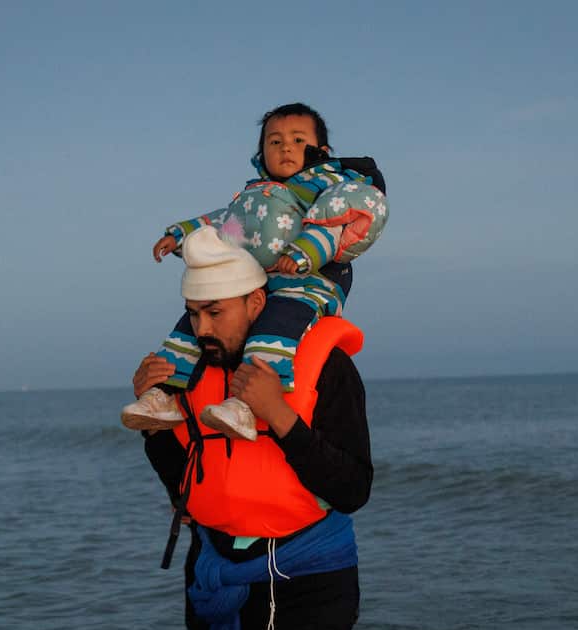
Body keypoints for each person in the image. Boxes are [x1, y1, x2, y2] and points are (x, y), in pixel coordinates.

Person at [133, 226, 373, 630]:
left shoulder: (323, 365)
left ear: (257, 301)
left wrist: (278, 414)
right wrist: (153, 422)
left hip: (310, 582)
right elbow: (188, 490)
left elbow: (353, 489)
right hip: (226, 580)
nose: (202, 329)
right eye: (193, 315)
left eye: (215, 313)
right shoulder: (189, 373)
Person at [121, 102, 386, 442]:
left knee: (275, 325)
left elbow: (347, 220)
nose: (285, 147)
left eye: (297, 140)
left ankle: (245, 406)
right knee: (197, 317)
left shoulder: (331, 187)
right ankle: (162, 395)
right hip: (259, 283)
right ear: (261, 154)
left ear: (322, 151)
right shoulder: (253, 199)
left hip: (308, 285)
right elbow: (223, 224)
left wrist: (306, 251)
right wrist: (181, 235)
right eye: (274, 142)